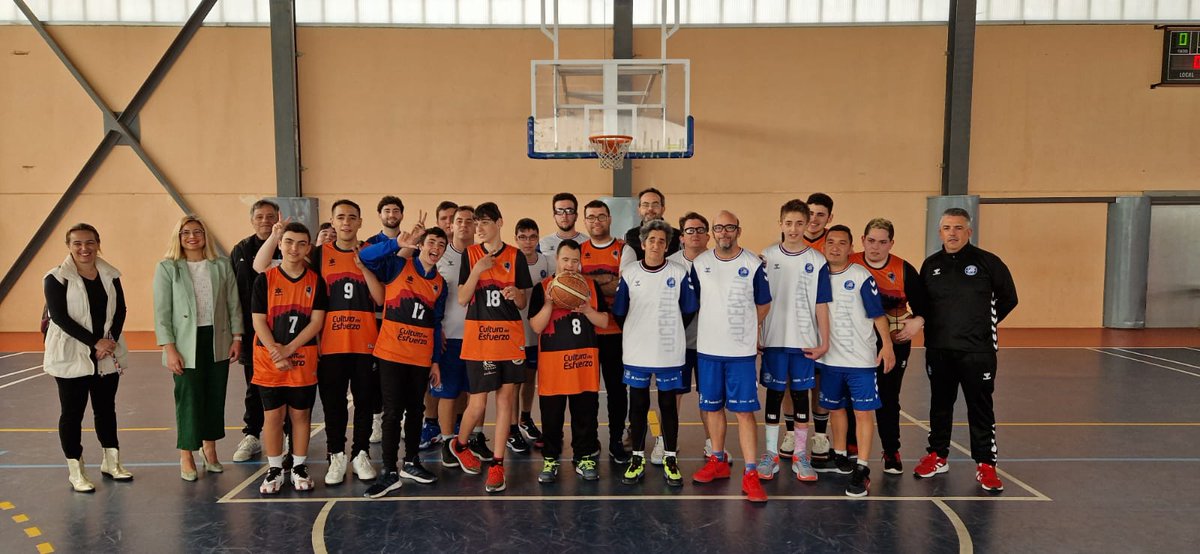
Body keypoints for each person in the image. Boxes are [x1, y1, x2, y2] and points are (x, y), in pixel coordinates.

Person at [255, 201, 384, 486]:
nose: (346, 222)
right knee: (333, 405)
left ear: (360, 222)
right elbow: (261, 266)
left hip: (365, 343)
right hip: (329, 344)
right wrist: (276, 236)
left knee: (364, 402)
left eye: (352, 217)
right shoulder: (318, 253)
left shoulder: (369, 253)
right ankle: (335, 454)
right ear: (332, 222)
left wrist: (365, 268)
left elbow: (380, 299)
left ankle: (360, 453)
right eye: (341, 217)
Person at [913, 208, 1017, 493]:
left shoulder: (988, 262)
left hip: (977, 352)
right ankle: (937, 455)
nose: (953, 233)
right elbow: (923, 304)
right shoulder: (931, 265)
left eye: (958, 228)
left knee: (980, 408)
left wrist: (983, 325)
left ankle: (986, 464)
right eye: (947, 228)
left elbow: (1009, 298)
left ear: (969, 232)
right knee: (940, 405)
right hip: (939, 350)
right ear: (940, 232)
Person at [447, 202, 533, 493]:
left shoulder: (515, 256)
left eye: (484, 222)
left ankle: (498, 464)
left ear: (499, 223)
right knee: (478, 404)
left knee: (506, 401)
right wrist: (477, 270)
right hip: (480, 338)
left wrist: (516, 294)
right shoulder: (471, 254)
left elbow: (523, 302)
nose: (479, 227)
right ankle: (459, 445)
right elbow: (462, 298)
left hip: (509, 337)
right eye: (476, 222)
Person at [359, 227, 450, 496]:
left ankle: (411, 462)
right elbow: (365, 257)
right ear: (420, 245)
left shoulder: (440, 284)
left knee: (416, 410)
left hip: (420, 357)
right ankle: (389, 470)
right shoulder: (399, 265)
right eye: (431, 242)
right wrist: (395, 243)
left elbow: (435, 324)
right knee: (392, 412)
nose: (436, 248)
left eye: (441, 245)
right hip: (391, 354)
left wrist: (435, 361)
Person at [689, 210, 771, 503]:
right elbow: (693, 301)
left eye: (729, 227)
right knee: (713, 409)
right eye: (719, 228)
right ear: (712, 232)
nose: (724, 232)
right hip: (708, 350)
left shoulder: (753, 264)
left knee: (744, 412)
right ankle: (718, 460)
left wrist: (747, 328)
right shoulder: (700, 264)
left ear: (739, 230)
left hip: (740, 353)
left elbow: (764, 304)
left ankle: (750, 473)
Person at [154, 215, 242, 481]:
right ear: (178, 237)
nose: (192, 237)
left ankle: (210, 449)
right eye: (185, 232)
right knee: (189, 398)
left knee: (215, 396)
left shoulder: (221, 265)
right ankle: (187, 454)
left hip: (217, 340)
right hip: (184, 343)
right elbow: (162, 312)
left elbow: (233, 303)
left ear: (205, 235)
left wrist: (237, 337)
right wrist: (169, 348)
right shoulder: (168, 268)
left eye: (197, 231)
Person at [43, 223, 131, 492]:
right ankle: (76, 471)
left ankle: (111, 463)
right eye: (78, 243)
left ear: (98, 244)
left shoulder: (111, 275)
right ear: (69, 246)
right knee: (72, 414)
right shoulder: (55, 278)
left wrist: (109, 342)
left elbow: (120, 310)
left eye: (90, 242)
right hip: (71, 355)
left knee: (106, 410)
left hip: (106, 355)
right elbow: (59, 317)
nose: (84, 248)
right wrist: (95, 342)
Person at [612, 220, 698, 487]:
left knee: (668, 406)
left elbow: (688, 309)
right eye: (652, 240)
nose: (656, 245)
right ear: (642, 243)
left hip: (668, 352)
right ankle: (637, 458)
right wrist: (638, 331)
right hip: (637, 352)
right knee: (638, 406)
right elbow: (619, 312)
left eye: (662, 241)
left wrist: (670, 330)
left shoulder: (679, 272)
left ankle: (670, 458)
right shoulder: (629, 273)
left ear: (667, 245)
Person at [812, 225, 895, 497]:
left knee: (862, 413)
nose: (835, 248)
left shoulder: (860, 276)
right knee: (836, 409)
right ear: (824, 246)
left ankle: (862, 466)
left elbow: (878, 314)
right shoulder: (817, 275)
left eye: (842, 243)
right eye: (831, 242)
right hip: (830, 360)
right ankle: (839, 456)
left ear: (851, 248)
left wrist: (887, 345)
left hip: (860, 361)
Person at [756, 200, 831, 483]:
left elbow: (821, 304)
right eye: (788, 223)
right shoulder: (766, 256)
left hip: (804, 343)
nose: (794, 228)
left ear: (807, 224)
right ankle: (770, 454)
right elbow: (757, 300)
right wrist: (756, 334)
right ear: (780, 224)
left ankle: (800, 455)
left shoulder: (817, 260)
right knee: (774, 397)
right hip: (773, 340)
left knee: (801, 398)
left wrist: (824, 341)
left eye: (800, 223)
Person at [252, 222, 328, 494]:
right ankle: (274, 468)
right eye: (289, 242)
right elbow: (258, 321)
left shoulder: (316, 281)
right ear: (280, 245)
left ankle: (298, 466)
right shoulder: (265, 279)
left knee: (300, 414)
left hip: (302, 358)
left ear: (308, 248)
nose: (294, 248)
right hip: (268, 358)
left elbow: (316, 322)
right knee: (273, 416)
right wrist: (276, 351)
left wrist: (289, 349)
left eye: (301, 243)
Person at [849, 218, 927, 475]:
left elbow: (924, 306)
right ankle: (851, 446)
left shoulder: (904, 270)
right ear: (863, 240)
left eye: (882, 242)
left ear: (891, 243)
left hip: (893, 343)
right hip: (855, 343)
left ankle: (891, 450)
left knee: (888, 397)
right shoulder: (850, 263)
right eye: (871, 241)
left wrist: (918, 321)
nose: (876, 247)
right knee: (851, 396)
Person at [528, 240, 609, 483]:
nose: (570, 265)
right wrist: (550, 303)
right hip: (553, 365)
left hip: (583, 363)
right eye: (565, 260)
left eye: (575, 260)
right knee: (551, 417)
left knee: (585, 415)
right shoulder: (543, 287)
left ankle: (584, 457)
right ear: (556, 259)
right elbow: (536, 326)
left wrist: (588, 311)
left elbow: (604, 322)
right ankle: (551, 459)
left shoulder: (590, 286)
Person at [434, 206, 492, 466]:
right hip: (450, 336)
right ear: (452, 225)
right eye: (459, 221)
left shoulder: (485, 255)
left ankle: (475, 438)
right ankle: (448, 441)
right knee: (448, 393)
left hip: (480, 336)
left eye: (470, 221)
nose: (465, 225)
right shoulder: (440, 254)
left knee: (477, 392)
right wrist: (436, 329)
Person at [229, 199, 281, 462]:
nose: (265, 221)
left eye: (270, 216)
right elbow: (232, 293)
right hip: (253, 332)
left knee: (287, 384)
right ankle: (252, 434)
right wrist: (236, 333)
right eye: (259, 216)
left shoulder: (287, 245)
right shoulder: (241, 249)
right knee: (255, 384)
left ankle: (286, 434)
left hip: (285, 330)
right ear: (252, 220)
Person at [580, 200, 629, 464]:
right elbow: (574, 287)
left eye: (601, 216)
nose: (596, 221)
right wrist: (607, 281)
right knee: (587, 393)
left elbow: (624, 288)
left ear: (609, 219)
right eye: (591, 217)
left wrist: (590, 283)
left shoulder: (624, 249)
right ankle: (589, 441)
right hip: (585, 335)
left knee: (617, 392)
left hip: (616, 332)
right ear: (585, 221)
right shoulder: (579, 250)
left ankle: (616, 440)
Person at [667, 212, 711, 460]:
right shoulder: (669, 265)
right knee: (673, 395)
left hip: (709, 344)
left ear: (708, 235)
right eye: (690, 230)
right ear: (682, 237)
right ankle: (667, 442)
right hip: (678, 344)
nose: (695, 234)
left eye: (700, 229)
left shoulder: (718, 262)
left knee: (710, 397)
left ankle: (713, 444)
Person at [510, 218, 551, 453]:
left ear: (538, 238)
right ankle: (512, 429)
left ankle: (525, 418)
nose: (528, 242)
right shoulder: (509, 261)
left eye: (532, 237)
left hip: (537, 332)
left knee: (529, 379)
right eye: (523, 237)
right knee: (513, 383)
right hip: (514, 334)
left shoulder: (547, 262)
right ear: (516, 239)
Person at [802, 192, 835, 461]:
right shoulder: (788, 242)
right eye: (810, 213)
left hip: (825, 324)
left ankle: (821, 436)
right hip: (796, 326)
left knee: (820, 383)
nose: (814, 219)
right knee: (791, 382)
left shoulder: (834, 245)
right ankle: (792, 433)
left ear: (829, 218)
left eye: (820, 214)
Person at [621, 187, 681, 263]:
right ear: (639, 209)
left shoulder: (677, 236)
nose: (650, 209)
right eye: (645, 205)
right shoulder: (628, 236)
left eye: (655, 205)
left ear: (663, 209)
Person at [538, 192, 588, 273]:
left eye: (569, 211)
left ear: (576, 216)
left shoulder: (587, 242)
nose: (564, 216)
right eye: (559, 211)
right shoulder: (543, 243)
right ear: (554, 216)